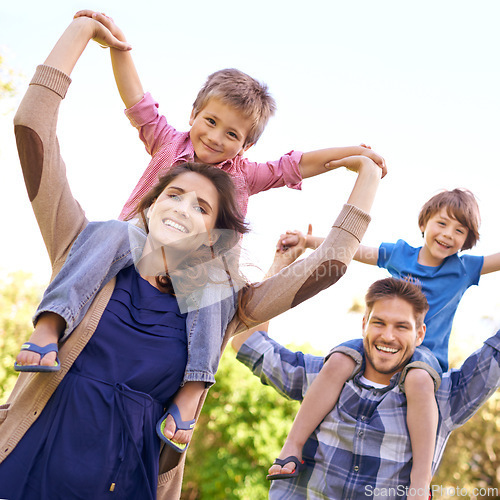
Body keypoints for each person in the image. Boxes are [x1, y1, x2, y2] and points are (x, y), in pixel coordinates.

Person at [1, 15, 381, 500]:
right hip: (28, 467)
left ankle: (192, 391)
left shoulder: (220, 298)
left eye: (202, 206)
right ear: (153, 200)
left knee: (211, 286)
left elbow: (330, 261)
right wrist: (86, 31)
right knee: (115, 232)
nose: (182, 208)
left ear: (218, 231)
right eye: (174, 194)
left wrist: (365, 169)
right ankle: (48, 327)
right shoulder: (89, 249)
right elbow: (35, 125)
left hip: (127, 479)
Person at [266, 189, 500, 498]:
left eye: (460, 231)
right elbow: (354, 250)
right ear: (425, 223)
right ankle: (292, 446)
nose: (448, 235)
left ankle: (419, 481)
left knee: (417, 379)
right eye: (442, 224)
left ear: (467, 239)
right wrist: (309, 242)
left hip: (424, 357)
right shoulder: (400, 254)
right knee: (338, 360)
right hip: (377, 347)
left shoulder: (463, 268)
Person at [231, 276, 500, 499]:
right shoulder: (325, 374)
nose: (388, 336)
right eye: (379, 322)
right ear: (364, 324)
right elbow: (247, 343)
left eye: (402, 327)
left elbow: (493, 359)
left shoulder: (439, 397)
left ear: (419, 335)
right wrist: (282, 266)